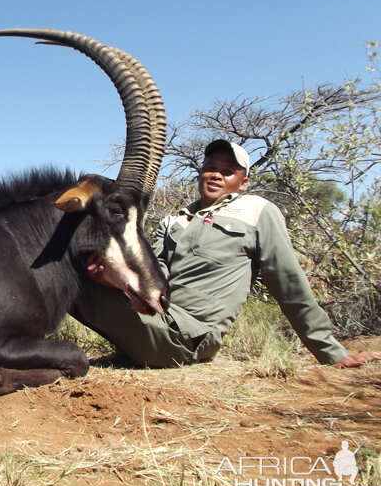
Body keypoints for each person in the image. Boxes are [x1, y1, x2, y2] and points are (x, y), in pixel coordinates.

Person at [74, 139, 380, 369]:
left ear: (243, 182)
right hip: (152, 320)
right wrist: (112, 282)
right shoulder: (173, 221)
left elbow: (289, 284)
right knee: (67, 259)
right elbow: (155, 276)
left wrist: (331, 353)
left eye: (228, 171)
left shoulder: (257, 211)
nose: (216, 175)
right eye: (210, 168)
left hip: (187, 339)